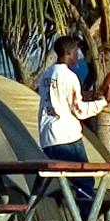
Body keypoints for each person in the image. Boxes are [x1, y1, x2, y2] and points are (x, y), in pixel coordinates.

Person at [35, 33, 95, 166]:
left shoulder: (46, 75)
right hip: (66, 137)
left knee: (64, 179)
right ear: (68, 52)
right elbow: (80, 111)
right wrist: (103, 102)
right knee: (84, 180)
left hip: (47, 137)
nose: (77, 55)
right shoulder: (69, 76)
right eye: (75, 51)